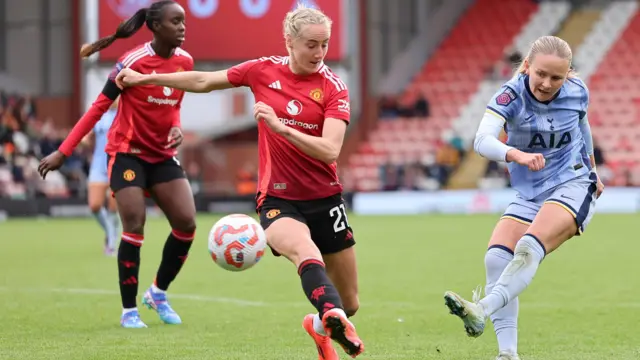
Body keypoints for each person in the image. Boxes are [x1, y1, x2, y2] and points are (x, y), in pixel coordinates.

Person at [116, 4, 364, 358]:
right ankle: (331, 313)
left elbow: (329, 150)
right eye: (311, 44)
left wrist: (281, 127)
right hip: (279, 201)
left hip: (326, 201)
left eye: (324, 44)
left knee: (351, 302)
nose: (319, 53)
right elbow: (203, 80)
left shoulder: (333, 87)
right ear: (289, 42)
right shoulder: (262, 71)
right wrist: (144, 79)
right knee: (305, 253)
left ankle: (321, 324)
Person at [442, 36, 604, 360]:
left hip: (572, 182)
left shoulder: (577, 91)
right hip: (530, 189)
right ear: (527, 66)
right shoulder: (510, 94)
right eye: (541, 73)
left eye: (556, 77)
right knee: (496, 259)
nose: (547, 83)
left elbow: (582, 124)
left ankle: (481, 310)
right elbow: (482, 140)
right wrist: (514, 154)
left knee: (529, 247)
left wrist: (593, 168)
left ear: (568, 75)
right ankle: (508, 354)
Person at [38, 0, 196, 329]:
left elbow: (174, 101)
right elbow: (98, 108)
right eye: (175, 22)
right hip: (128, 154)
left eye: (183, 21)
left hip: (162, 154)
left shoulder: (185, 62)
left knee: (186, 224)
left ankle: (157, 293)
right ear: (155, 26)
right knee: (135, 224)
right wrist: (63, 152)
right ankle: (129, 311)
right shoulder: (132, 62)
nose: (182, 27)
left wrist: (176, 125)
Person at [83, 98, 120, 256]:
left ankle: (111, 241)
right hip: (99, 165)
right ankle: (110, 231)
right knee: (94, 205)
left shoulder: (124, 114)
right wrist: (85, 140)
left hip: (118, 165)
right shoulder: (99, 115)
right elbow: (87, 136)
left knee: (113, 206)